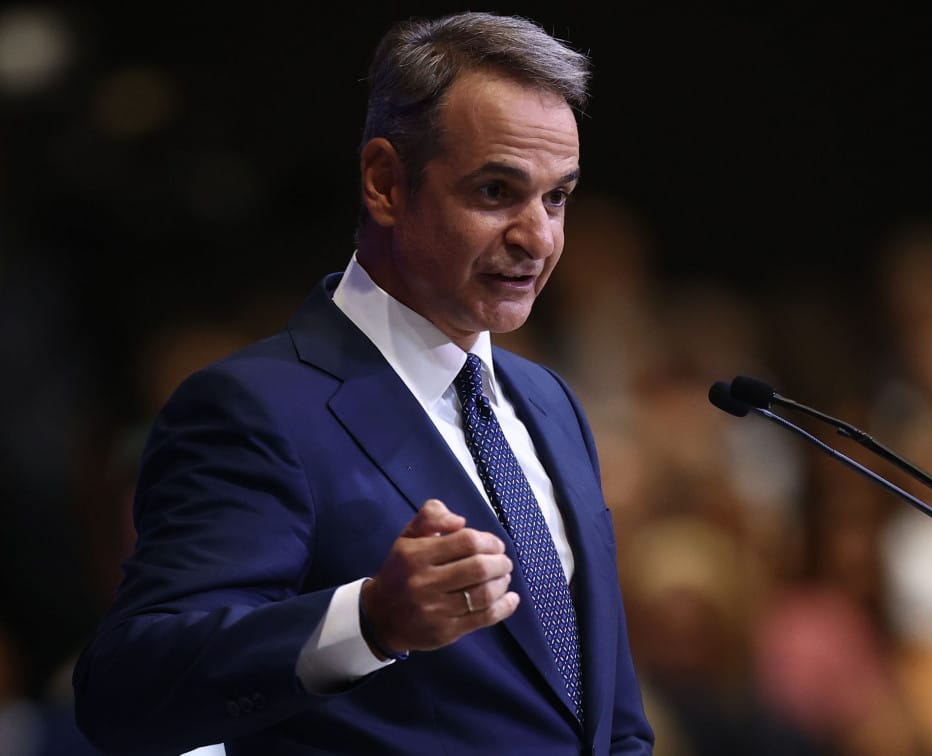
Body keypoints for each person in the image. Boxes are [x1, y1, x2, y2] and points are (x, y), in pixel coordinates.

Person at [72, 12, 654, 755]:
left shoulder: (550, 403)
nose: (538, 237)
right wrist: (370, 622)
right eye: (495, 190)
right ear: (385, 183)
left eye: (557, 197)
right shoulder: (256, 411)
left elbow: (606, 718)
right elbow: (126, 692)